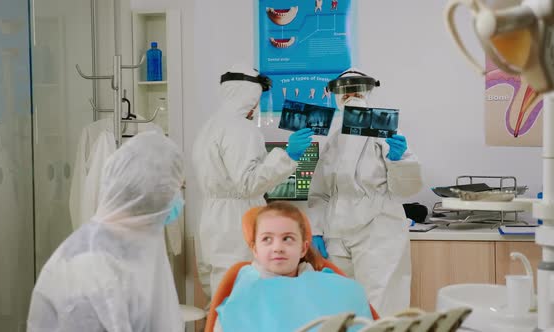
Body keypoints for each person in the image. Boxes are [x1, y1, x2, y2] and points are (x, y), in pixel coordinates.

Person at [27, 132, 185, 332]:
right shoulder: (89, 266)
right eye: (176, 190)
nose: (179, 200)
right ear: (151, 196)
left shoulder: (137, 244)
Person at [192, 63, 314, 299]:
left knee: (220, 299)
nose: (257, 107)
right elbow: (248, 183)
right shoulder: (240, 128)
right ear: (250, 94)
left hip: (211, 221)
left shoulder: (210, 126)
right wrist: (289, 156)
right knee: (242, 297)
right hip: (236, 221)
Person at [307, 69, 423, 316]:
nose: (351, 95)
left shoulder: (383, 127)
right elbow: (319, 192)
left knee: (381, 307)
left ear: (369, 90)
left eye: (356, 89)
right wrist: (316, 229)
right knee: (339, 307)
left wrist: (398, 159)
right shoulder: (330, 133)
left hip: (378, 230)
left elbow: (407, 187)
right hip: (336, 232)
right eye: (345, 90)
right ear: (335, 93)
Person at [212, 202, 374, 332]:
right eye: (267, 239)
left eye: (287, 238)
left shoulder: (332, 286)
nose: (277, 248)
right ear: (255, 249)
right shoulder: (244, 290)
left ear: (303, 248)